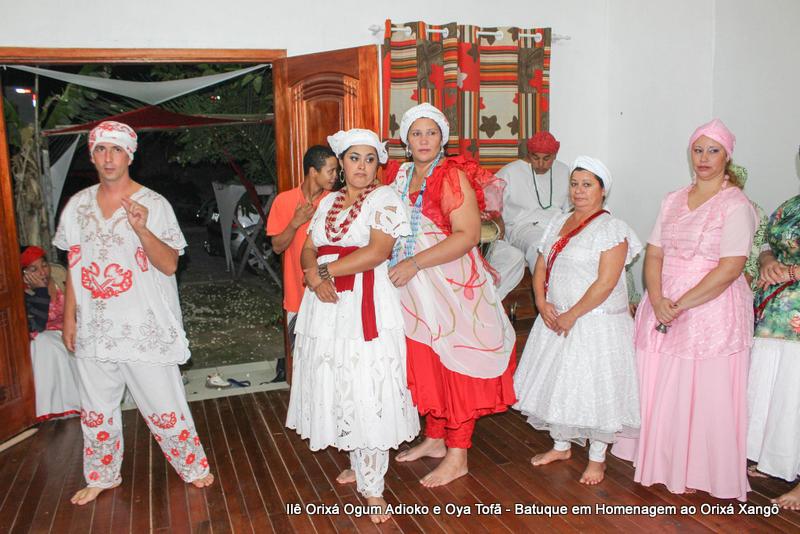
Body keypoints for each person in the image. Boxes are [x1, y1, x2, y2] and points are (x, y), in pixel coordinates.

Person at [53, 121, 214, 506]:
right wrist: (69, 317)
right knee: (96, 408)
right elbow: (75, 266)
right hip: (94, 326)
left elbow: (170, 264)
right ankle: (102, 475)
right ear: (92, 155)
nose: (108, 158)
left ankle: (191, 465)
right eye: (101, 149)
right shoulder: (77, 206)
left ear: (130, 155)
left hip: (144, 325)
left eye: (116, 150)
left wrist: (142, 229)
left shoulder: (155, 205)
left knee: (163, 401)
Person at [611, 118, 756, 501]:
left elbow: (731, 268)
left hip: (710, 307)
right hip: (664, 301)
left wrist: (680, 305)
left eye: (713, 151)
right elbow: (654, 253)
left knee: (700, 388)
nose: (704, 158)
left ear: (727, 157)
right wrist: (657, 298)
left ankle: (696, 468)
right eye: (698, 149)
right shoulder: (672, 199)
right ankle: (659, 459)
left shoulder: (736, 205)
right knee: (662, 380)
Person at [285, 129, 419, 524]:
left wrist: (322, 272)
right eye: (354, 158)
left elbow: (377, 252)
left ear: (379, 165)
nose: (362, 166)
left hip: (364, 300)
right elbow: (309, 245)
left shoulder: (385, 199)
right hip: (326, 303)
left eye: (370, 159)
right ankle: (357, 460)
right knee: (338, 378)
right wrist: (312, 275)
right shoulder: (328, 200)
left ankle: (374, 485)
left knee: (366, 383)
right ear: (341, 163)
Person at [386, 103, 517, 487]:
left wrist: (415, 263)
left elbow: (468, 235)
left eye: (431, 132)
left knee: (456, 360)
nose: (424, 140)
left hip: (450, 282)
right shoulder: (399, 175)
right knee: (428, 358)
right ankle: (435, 437)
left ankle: (458, 454)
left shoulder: (451, 175)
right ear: (406, 141)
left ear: (442, 138)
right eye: (416, 133)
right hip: (412, 286)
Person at [514, 156, 641, 485]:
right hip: (557, 317)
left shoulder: (612, 228)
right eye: (574, 184)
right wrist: (541, 302)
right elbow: (541, 263)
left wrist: (573, 314)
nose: (579, 191)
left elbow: (606, 282)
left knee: (596, 388)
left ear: (602, 190)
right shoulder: (559, 221)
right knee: (561, 383)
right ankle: (561, 445)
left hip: (596, 323)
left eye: (587, 185)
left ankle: (597, 458)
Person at [746, 190, 800, 509]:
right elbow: (767, 243)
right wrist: (767, 263)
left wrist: (792, 272)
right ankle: (775, 459)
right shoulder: (790, 205)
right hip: (776, 313)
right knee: (776, 390)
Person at [266, 145, 338, 381]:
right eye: (331, 171)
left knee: (330, 365)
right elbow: (277, 246)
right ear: (313, 171)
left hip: (329, 294)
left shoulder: (336, 202)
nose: (335, 176)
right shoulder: (284, 201)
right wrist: (295, 222)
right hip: (297, 296)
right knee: (302, 365)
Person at [487, 131, 570, 299]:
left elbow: (570, 208)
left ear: (555, 155)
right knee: (539, 246)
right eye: (535, 157)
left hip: (556, 225)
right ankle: (550, 299)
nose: (540, 164)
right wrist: (498, 219)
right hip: (522, 227)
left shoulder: (564, 170)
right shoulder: (510, 172)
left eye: (546, 159)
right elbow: (488, 202)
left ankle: (571, 296)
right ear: (529, 154)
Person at [21, 245, 81, 421]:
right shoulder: (23, 293)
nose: (42, 272)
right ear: (24, 273)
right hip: (46, 338)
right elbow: (37, 325)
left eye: (44, 265)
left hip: (71, 330)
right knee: (45, 343)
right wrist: (40, 290)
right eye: (33, 269)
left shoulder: (60, 278)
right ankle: (56, 406)